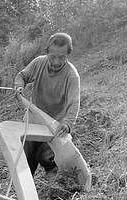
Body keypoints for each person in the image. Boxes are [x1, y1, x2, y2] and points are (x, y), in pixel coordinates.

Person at [13, 32, 80, 174]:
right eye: (52, 57)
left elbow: (74, 102)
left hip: (55, 126)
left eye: (61, 57)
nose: (56, 62)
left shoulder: (71, 76)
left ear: (68, 54)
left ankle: (55, 187)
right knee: (26, 162)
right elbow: (22, 76)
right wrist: (19, 86)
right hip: (33, 121)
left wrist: (67, 123)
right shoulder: (39, 63)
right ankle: (24, 194)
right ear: (47, 52)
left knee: (45, 157)